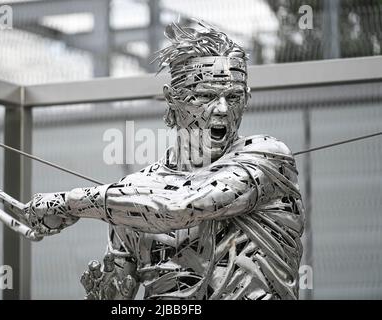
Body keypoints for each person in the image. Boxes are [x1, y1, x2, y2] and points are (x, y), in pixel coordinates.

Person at [24, 20, 305, 300]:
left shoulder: (267, 157)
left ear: (246, 99)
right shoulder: (132, 197)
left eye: (233, 96)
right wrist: (106, 295)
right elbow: (120, 294)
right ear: (172, 99)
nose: (222, 108)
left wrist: (71, 203)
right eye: (206, 95)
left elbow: (180, 207)